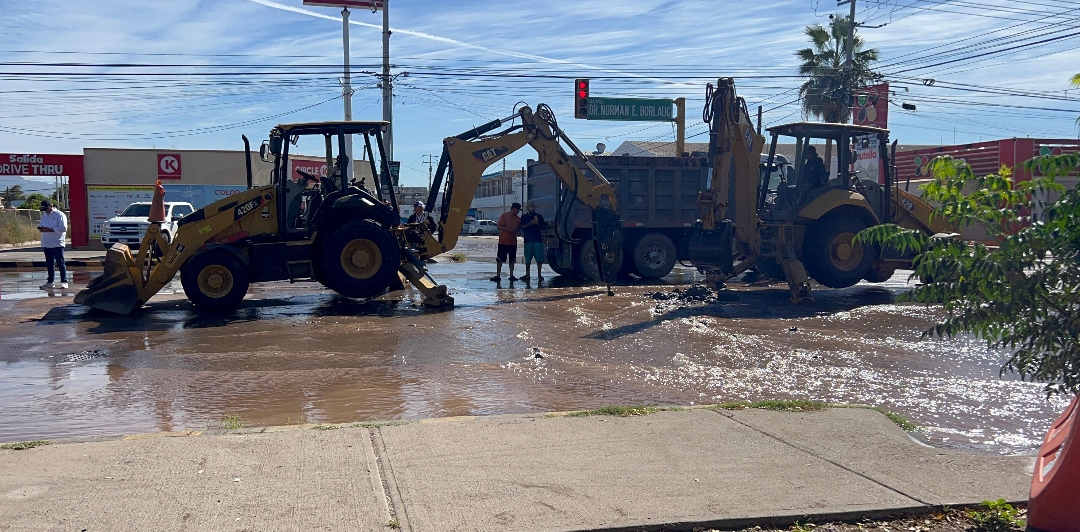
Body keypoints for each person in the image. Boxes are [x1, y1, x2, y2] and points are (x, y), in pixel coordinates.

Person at [37, 200, 68, 290]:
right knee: (50, 264)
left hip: (57, 242)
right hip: (47, 243)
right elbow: (41, 225)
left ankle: (64, 281)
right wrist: (42, 229)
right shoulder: (44, 216)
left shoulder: (60, 215)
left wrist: (50, 229)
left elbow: (63, 228)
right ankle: (50, 282)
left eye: (46, 208)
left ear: (51, 206)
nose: (45, 211)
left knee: (60, 263)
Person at [492, 202, 521, 282]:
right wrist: (508, 229)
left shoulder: (518, 219)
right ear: (514, 208)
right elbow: (499, 226)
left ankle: (511, 275)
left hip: (513, 242)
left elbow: (519, 229)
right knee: (499, 259)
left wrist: (517, 231)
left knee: (512, 260)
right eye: (518, 210)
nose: (518, 212)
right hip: (503, 241)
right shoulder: (504, 216)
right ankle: (498, 276)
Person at [517, 201, 546, 282]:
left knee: (539, 259)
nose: (531, 210)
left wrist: (537, 224)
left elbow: (543, 227)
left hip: (537, 240)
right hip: (528, 240)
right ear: (527, 209)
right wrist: (530, 223)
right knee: (528, 259)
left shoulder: (539, 216)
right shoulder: (524, 217)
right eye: (530, 209)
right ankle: (527, 274)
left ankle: (539, 275)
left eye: (532, 209)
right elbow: (521, 227)